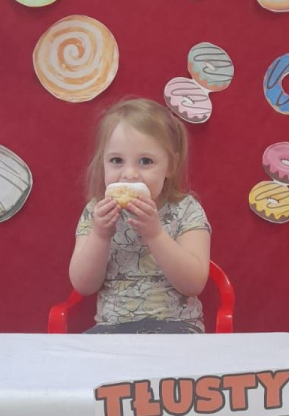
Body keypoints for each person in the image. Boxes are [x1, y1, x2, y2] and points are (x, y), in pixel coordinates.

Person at [69, 98, 211, 333]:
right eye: (116, 160)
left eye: (145, 161)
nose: (130, 174)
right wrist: (100, 235)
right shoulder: (95, 211)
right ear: (102, 163)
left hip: (176, 326)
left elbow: (194, 283)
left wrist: (155, 234)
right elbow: (83, 285)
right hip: (112, 328)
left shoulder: (186, 209)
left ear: (170, 166)